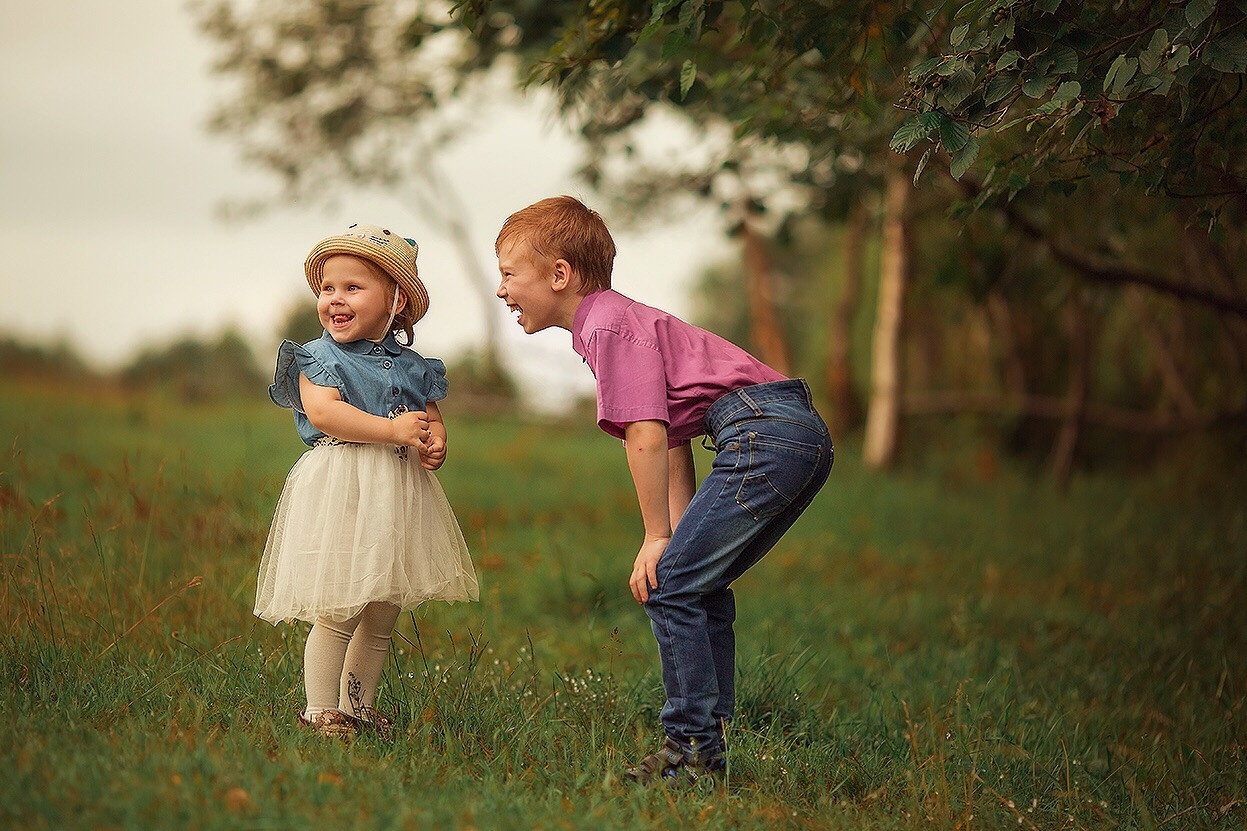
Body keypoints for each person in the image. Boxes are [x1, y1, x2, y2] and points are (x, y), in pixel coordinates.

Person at [494, 196, 833, 785]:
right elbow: (675, 435)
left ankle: (691, 752)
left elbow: (646, 434)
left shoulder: (605, 326)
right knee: (692, 581)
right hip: (791, 432)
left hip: (763, 433)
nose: (501, 290)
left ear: (559, 274)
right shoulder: (616, 321)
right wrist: (671, 535)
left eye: (508, 274)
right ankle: (707, 749)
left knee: (671, 583)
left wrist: (656, 537)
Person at [256, 224, 478, 738]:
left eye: (352, 288)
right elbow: (326, 414)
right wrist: (392, 430)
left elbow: (430, 416)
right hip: (345, 487)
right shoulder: (317, 358)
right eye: (327, 288)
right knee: (341, 603)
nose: (335, 299)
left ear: (395, 300)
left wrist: (434, 440)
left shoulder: (414, 366)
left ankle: (356, 706)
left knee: (382, 609)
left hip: (397, 493)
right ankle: (319, 710)